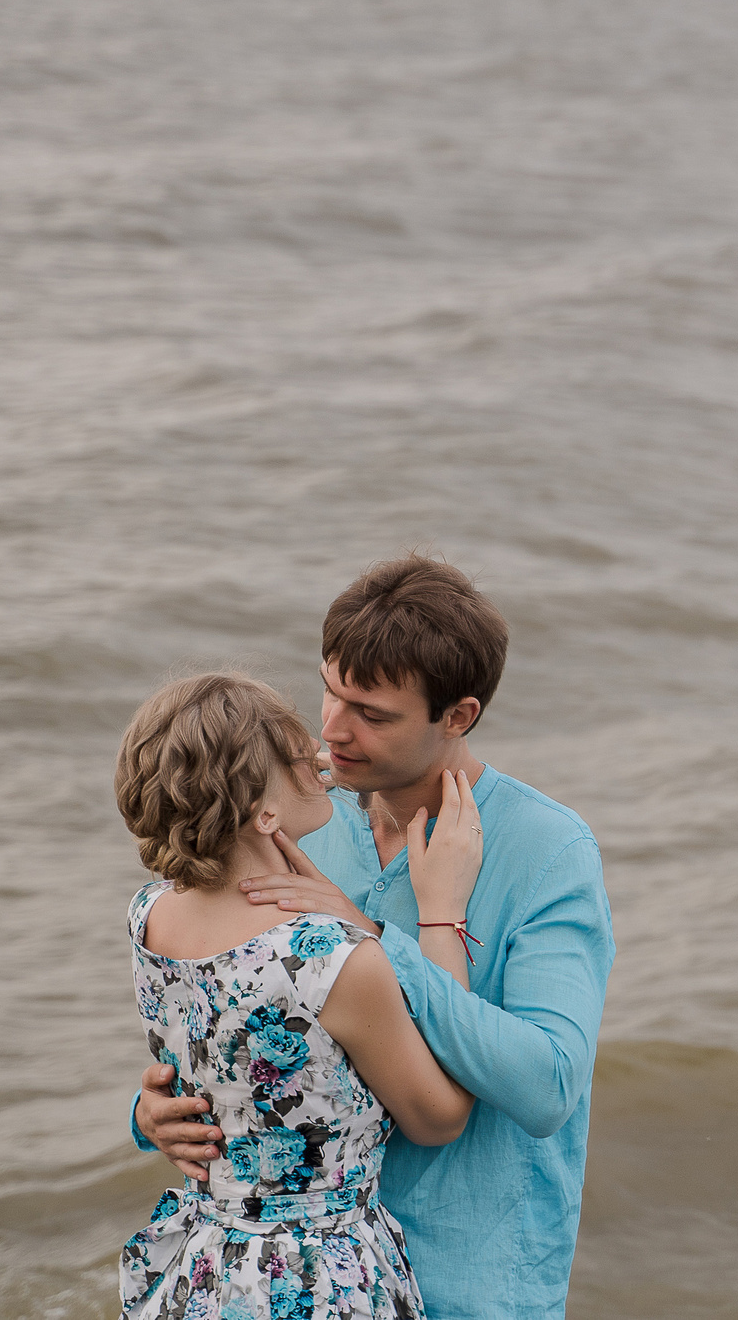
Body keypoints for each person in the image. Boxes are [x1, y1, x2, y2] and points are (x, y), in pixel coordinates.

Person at [134, 555, 615, 1320]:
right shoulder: (300, 819)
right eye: (330, 689)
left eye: (373, 713)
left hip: (472, 1285)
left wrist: (382, 936)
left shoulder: (547, 850)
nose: (331, 729)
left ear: (457, 715)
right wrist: (152, 1112)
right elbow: (226, 1005)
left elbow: (549, 1086)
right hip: (300, 1285)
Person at [113, 670, 487, 1320]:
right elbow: (439, 1118)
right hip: (314, 1280)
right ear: (264, 814)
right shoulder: (330, 961)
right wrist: (440, 914)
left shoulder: (149, 915)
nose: (319, 752)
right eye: (295, 753)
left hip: (202, 1266)